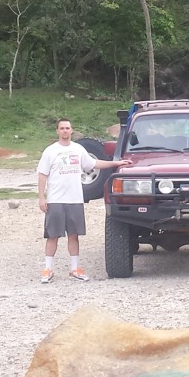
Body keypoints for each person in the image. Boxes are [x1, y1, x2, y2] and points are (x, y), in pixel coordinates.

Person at [37, 118, 131, 283]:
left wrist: (116, 163)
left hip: (75, 199)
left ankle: (75, 268)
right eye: (62, 128)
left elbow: (93, 164)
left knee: (74, 235)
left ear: (71, 130)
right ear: (57, 131)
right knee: (53, 235)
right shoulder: (50, 151)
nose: (65, 131)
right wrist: (41, 197)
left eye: (67, 128)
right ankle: (47, 269)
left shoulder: (78, 149)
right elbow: (42, 174)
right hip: (56, 200)